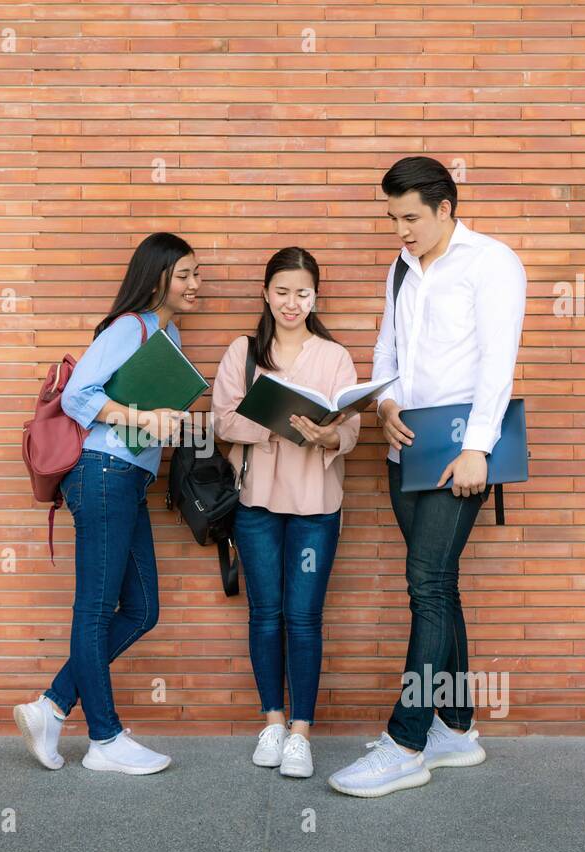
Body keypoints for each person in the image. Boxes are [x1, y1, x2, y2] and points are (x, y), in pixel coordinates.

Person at [328, 156, 527, 798]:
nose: (400, 231)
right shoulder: (401, 267)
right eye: (392, 218)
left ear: (446, 208)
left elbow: (499, 362)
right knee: (439, 584)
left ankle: (407, 741)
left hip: (458, 451)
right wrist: (384, 404)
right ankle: (458, 728)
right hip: (404, 448)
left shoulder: (491, 263)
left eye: (410, 217)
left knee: (427, 583)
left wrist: (478, 450)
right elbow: (387, 347)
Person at [13, 232, 200, 775]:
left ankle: (51, 706)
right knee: (95, 607)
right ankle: (105, 737)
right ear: (157, 277)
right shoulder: (131, 327)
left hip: (126, 479)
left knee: (142, 609)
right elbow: (78, 395)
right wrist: (144, 417)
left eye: (197, 275)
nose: (196, 285)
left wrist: (169, 423)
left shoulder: (170, 337)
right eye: (185, 274)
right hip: (102, 474)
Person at [211, 247, 361, 780]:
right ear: (265, 293)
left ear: (315, 296)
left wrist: (328, 435)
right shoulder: (244, 352)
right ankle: (271, 720)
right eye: (281, 292)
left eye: (301, 293)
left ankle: (301, 731)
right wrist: (274, 424)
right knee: (264, 614)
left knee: (303, 618)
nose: (291, 303)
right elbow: (223, 422)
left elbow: (350, 428)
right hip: (255, 505)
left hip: (316, 507)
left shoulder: (334, 355)